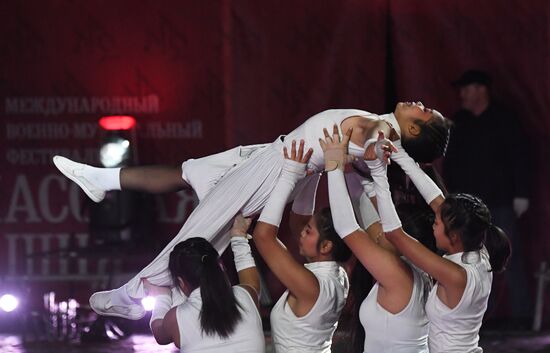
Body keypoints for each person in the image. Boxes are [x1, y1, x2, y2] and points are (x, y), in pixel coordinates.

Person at [52, 103, 450, 319]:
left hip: (275, 166)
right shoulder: (381, 126)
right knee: (190, 171)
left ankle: (137, 290)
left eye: (424, 112)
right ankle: (101, 179)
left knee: (204, 227)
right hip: (269, 153)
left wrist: (372, 149)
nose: (420, 104)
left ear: (413, 131)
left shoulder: (380, 132)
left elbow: (367, 142)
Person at [367, 131, 512, 352]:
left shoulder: (455, 274)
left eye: (437, 223)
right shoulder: (477, 248)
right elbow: (437, 201)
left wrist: (377, 172)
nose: (433, 224)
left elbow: (396, 235)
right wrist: (400, 153)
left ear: (453, 236)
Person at [321, 126, 432, 353]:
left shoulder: (397, 274)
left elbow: (347, 227)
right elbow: (385, 216)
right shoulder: (422, 267)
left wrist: (334, 166)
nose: (378, 233)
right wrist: (371, 169)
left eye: (383, 232)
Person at [444, 69, 531, 320]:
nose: (462, 95)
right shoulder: (459, 121)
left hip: (501, 202)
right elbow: (451, 164)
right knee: (471, 260)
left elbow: (520, 158)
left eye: (466, 89)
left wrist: (521, 194)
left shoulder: (505, 119)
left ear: (481, 90)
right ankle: (481, 316)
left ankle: (521, 315)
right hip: (469, 208)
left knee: (508, 255)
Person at [252, 140, 351, 352]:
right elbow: (297, 222)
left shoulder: (311, 286)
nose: (301, 233)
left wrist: (290, 174)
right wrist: (314, 171)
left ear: (325, 246)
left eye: (309, 231)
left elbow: (263, 236)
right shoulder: (338, 273)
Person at [142, 215, 265, 352]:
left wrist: (161, 296)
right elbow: (250, 280)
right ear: (220, 265)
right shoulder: (247, 295)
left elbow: (159, 334)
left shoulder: (177, 317)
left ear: (181, 283)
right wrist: (238, 235)